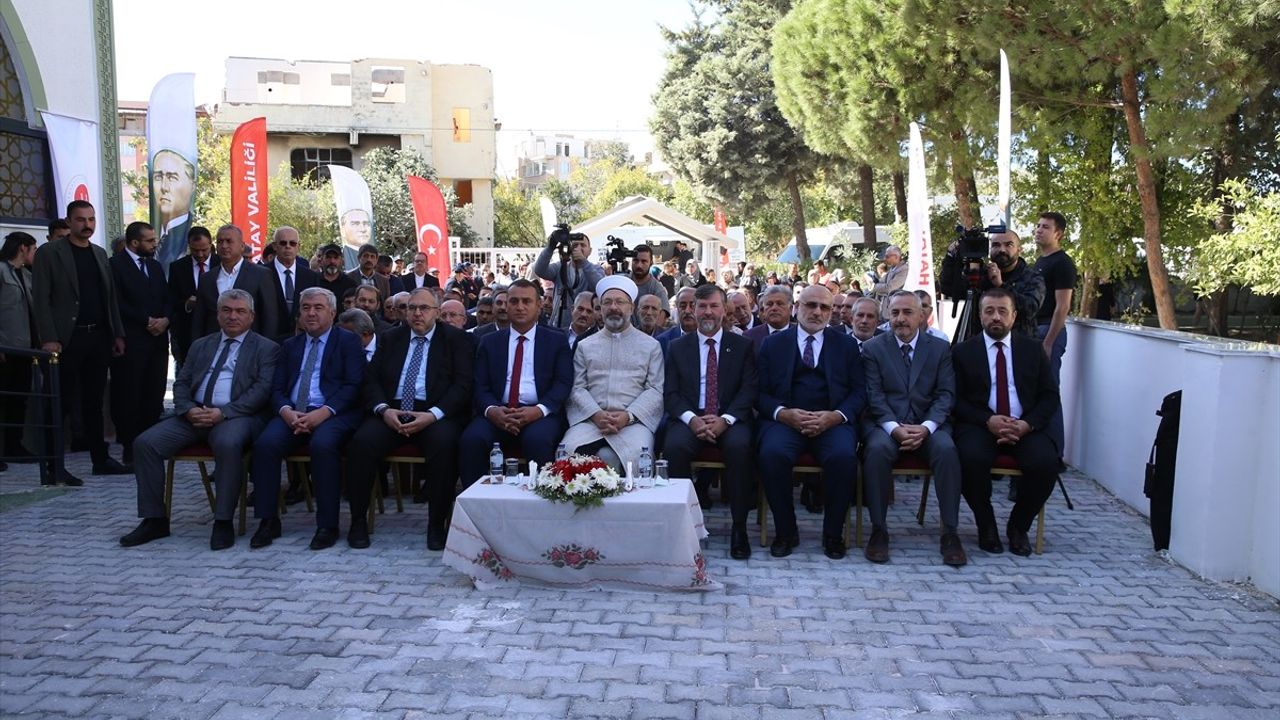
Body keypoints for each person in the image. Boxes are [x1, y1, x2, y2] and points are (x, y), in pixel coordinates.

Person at [118, 289, 279, 550]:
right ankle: (154, 519)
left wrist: (223, 412)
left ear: (251, 316)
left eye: (240, 312)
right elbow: (182, 382)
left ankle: (223, 520)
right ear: (218, 315)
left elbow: (261, 390)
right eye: (226, 310)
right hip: (193, 414)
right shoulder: (201, 345)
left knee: (227, 444)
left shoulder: (266, 348)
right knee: (145, 444)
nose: (232, 317)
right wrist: (187, 409)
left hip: (236, 416)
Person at [344, 288, 475, 551]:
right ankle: (357, 521)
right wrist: (383, 410)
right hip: (393, 411)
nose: (417, 313)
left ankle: (437, 524)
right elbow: (370, 381)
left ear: (437, 313)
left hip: (434, 413)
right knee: (361, 442)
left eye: (424, 308)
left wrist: (432, 415)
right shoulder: (391, 338)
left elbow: (463, 386)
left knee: (446, 444)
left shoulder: (455, 340)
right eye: (411, 308)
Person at [247, 287, 366, 550]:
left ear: (333, 313)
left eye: (318, 308)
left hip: (332, 413)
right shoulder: (290, 345)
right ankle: (268, 520)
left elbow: (354, 385)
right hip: (294, 412)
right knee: (266, 445)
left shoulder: (348, 341)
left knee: (322, 446)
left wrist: (323, 413)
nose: (311, 313)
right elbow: (276, 389)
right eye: (306, 308)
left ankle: (327, 525)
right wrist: (286, 412)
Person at [756, 285, 864, 560]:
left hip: (831, 421)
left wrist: (835, 417)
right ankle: (785, 531)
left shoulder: (846, 345)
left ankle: (832, 534)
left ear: (833, 312)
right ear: (796, 307)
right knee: (772, 454)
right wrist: (783, 413)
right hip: (786, 421)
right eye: (810, 305)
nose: (817, 312)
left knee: (843, 457)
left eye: (824, 307)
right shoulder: (774, 344)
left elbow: (859, 392)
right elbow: (759, 392)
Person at [952, 288, 1062, 556]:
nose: (996, 317)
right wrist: (987, 420)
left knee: (1046, 463)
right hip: (980, 425)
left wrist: (1027, 425)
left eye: (1002, 311)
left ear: (1014, 316)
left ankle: (1018, 526)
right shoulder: (962, 352)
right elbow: (954, 399)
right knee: (969, 459)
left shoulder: (1033, 350)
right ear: (980, 316)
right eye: (989, 311)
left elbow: (1049, 396)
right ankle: (986, 523)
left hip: (1025, 426)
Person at [860, 290, 966, 567]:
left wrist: (927, 427)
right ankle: (879, 530)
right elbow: (874, 395)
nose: (901, 319)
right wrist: (894, 428)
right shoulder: (873, 348)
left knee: (947, 449)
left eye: (908, 312)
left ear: (922, 315)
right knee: (876, 450)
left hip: (928, 424)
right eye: (895, 313)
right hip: (886, 425)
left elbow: (945, 394)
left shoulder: (940, 349)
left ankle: (950, 533)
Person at [31, 200, 128, 477]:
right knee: (59, 401)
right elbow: (41, 298)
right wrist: (49, 337)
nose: (87, 225)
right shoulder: (50, 253)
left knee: (94, 402)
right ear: (69, 221)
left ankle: (101, 459)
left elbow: (109, 299)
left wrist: (117, 333)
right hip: (65, 339)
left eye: (91, 219)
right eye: (81, 220)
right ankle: (52, 465)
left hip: (98, 336)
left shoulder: (99, 254)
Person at [663, 284, 758, 559]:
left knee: (741, 448)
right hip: (689, 418)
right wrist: (692, 420)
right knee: (675, 449)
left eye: (713, 306)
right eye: (701, 306)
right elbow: (671, 393)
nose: (707, 312)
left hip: (729, 419)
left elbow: (748, 390)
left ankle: (739, 527)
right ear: (692, 309)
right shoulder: (677, 348)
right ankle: (682, 528)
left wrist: (725, 420)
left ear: (724, 309)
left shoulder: (742, 346)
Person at [459, 279, 573, 488]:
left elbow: (563, 383)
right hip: (498, 412)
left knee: (538, 440)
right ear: (505, 306)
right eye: (514, 301)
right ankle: (475, 509)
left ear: (539, 306)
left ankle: (540, 505)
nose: (520, 307)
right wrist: (493, 410)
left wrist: (538, 411)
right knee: (472, 440)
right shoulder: (490, 342)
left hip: (539, 414)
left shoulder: (556, 341)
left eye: (526, 301)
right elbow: (480, 385)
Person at [561, 276, 665, 473]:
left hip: (634, 422)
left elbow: (654, 389)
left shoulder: (651, 346)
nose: (613, 307)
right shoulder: (585, 345)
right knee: (567, 451)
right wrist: (596, 414)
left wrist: (628, 416)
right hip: (591, 421)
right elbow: (577, 387)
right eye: (607, 302)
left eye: (620, 302)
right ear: (600, 308)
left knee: (637, 456)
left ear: (631, 308)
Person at [108, 222, 170, 465]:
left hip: (157, 341)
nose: (155, 244)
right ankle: (130, 446)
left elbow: (167, 298)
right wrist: (146, 320)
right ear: (135, 243)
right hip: (132, 340)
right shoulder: (115, 266)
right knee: (129, 393)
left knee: (154, 393)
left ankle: (152, 443)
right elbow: (116, 303)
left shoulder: (155, 267)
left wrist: (165, 319)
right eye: (150, 240)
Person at [939, 229, 1045, 339]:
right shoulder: (981, 273)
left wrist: (1001, 285)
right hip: (978, 344)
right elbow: (948, 288)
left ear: (1019, 249)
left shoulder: (1032, 277)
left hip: (1018, 344)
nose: (1002, 250)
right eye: (996, 245)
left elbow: (1030, 309)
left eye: (1009, 245)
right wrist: (951, 258)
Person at [1033, 211, 1075, 456]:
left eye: (1045, 227)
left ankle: (1054, 453)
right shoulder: (1041, 262)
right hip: (1035, 330)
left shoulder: (1062, 263)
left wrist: (1048, 342)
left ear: (1058, 233)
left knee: (1049, 391)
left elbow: (1063, 306)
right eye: (1038, 225)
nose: (1039, 230)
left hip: (1049, 331)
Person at [191, 225, 279, 340]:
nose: (224, 246)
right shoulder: (207, 278)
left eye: (229, 241)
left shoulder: (261, 275)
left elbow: (270, 317)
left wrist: (266, 350)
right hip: (214, 347)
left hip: (250, 347)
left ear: (242, 246)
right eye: (220, 242)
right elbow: (199, 319)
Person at [0, 232, 37, 466]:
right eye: (33, 249)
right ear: (23, 248)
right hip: (5, 347)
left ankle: (14, 445)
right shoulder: (2, 271)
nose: (35, 254)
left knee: (19, 399)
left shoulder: (26, 275)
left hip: (24, 348)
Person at [533, 231, 606, 330]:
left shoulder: (596, 269)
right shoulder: (560, 267)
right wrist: (550, 247)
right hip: (559, 325)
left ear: (590, 250)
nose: (579, 248)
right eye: (575, 245)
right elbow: (539, 270)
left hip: (587, 327)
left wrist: (584, 262)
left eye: (583, 245)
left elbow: (599, 287)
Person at [167, 227, 214, 369]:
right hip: (187, 333)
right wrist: (186, 305)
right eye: (195, 250)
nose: (200, 254)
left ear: (211, 245)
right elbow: (171, 299)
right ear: (189, 246)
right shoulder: (178, 267)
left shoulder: (222, 263)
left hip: (215, 330)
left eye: (204, 250)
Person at [263, 227, 318, 342]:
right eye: (283, 243)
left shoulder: (311, 276)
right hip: (268, 341)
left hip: (302, 341)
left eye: (292, 243)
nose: (288, 246)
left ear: (299, 247)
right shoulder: (261, 273)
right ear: (274, 246)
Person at [151, 149, 195, 266]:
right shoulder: (152, 239)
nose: (164, 187)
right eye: (158, 177)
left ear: (192, 186)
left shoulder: (191, 237)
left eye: (172, 178)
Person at [743, 285, 794, 353]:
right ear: (764, 310)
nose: (774, 308)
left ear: (790, 309)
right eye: (769, 304)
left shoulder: (801, 334)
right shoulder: (749, 337)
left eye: (779, 304)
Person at [629, 244, 669, 314]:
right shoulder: (622, 284)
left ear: (651, 263)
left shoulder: (657, 290)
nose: (639, 265)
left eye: (644, 261)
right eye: (635, 260)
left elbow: (662, 318)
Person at [655, 287, 696, 355]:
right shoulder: (663, 341)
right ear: (677, 307)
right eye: (683, 306)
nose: (687, 311)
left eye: (692, 306)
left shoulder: (709, 339)